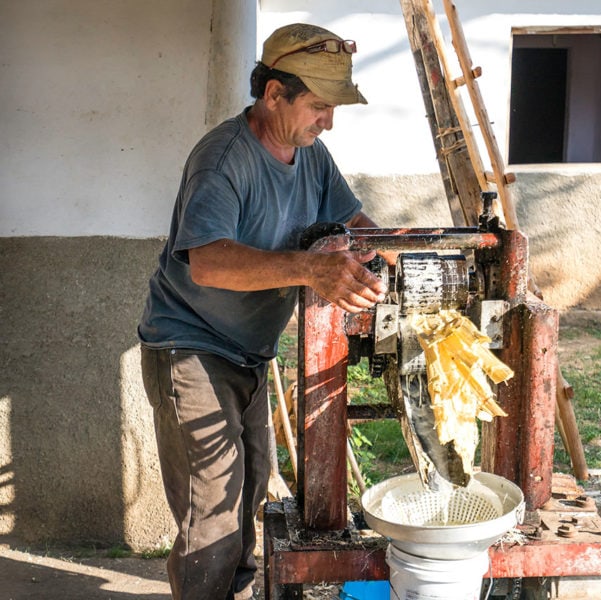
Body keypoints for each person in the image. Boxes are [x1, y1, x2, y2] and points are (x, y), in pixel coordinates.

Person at [137, 23, 387, 600]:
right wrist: (307, 268)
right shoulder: (224, 158)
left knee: (250, 498)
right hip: (193, 349)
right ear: (274, 93)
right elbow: (208, 263)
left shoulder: (311, 155)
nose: (328, 121)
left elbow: (354, 224)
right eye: (319, 106)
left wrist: (405, 249)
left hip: (247, 352)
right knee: (215, 514)